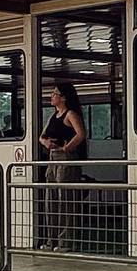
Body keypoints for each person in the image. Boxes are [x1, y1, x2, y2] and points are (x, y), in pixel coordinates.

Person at [37, 79, 87, 246]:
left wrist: (67, 147)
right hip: (52, 157)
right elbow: (42, 136)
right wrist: (46, 143)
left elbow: (80, 134)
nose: (51, 96)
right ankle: (51, 239)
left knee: (65, 199)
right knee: (50, 199)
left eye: (55, 94)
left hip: (66, 157)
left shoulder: (70, 114)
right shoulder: (53, 116)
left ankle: (65, 240)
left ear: (63, 97)